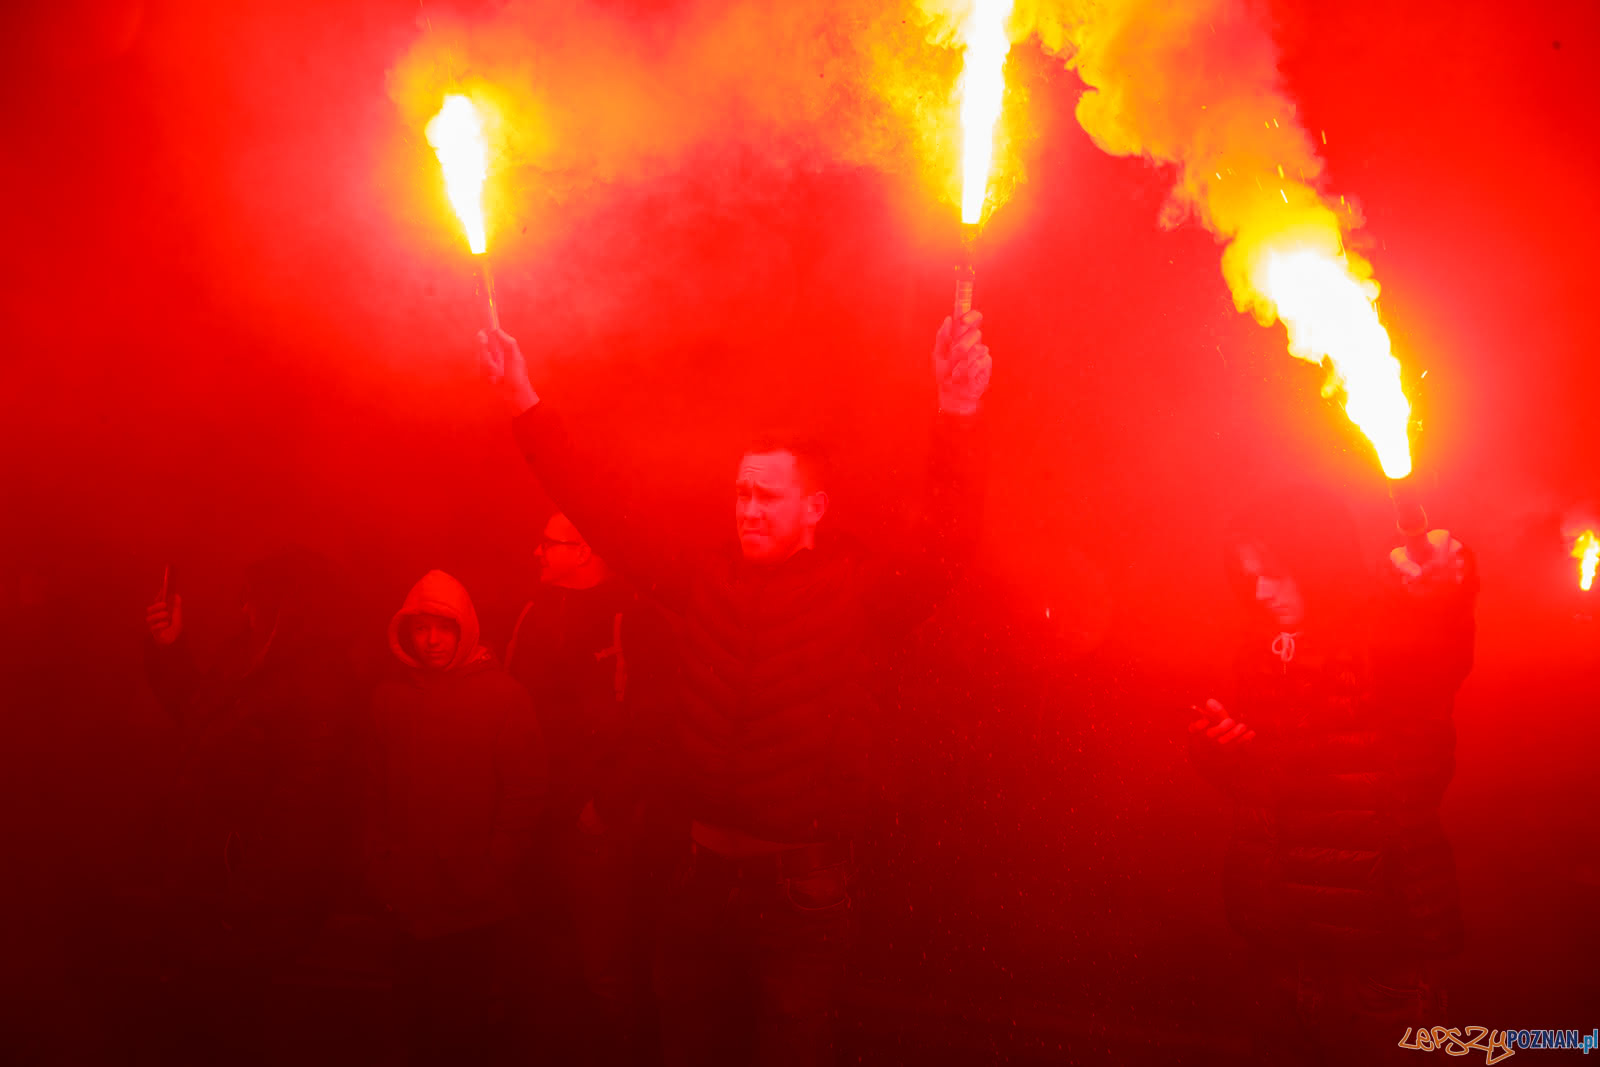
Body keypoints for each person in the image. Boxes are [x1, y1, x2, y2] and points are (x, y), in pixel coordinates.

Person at [479, 310, 992, 1066]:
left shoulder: (861, 590)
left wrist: (957, 411)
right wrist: (524, 399)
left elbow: (949, 544)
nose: (748, 509)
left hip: (802, 889)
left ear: (813, 508)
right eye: (742, 494)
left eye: (768, 497)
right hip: (699, 876)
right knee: (686, 1044)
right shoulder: (707, 575)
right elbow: (606, 514)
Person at [1187, 486, 1479, 1066]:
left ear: (1316, 562)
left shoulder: (1384, 642)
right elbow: (1264, 793)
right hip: (1279, 953)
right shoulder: (1259, 652)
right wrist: (1222, 750)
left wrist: (1444, 595)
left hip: (1380, 965)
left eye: (1273, 572)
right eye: (1249, 575)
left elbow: (1437, 651)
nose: (1260, 591)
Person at [143, 548, 361, 1061]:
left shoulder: (316, 681)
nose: (243, 609)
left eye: (251, 598)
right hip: (216, 890)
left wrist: (243, 903)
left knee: (233, 1027)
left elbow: (303, 808)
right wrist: (171, 649)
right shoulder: (248, 657)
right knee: (203, 1022)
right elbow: (201, 722)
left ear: (284, 604)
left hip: (248, 907)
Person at [364, 569, 547, 1064]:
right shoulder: (389, 698)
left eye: (444, 628)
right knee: (410, 1024)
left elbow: (526, 795)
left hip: (473, 906)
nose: (432, 640)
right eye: (421, 628)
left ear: (465, 628)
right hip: (405, 899)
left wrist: (491, 871)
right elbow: (370, 790)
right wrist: (381, 868)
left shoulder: (504, 697)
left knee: (463, 1029)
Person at [504, 513, 652, 1062]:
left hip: (597, 828)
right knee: (537, 956)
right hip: (534, 819)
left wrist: (606, 806)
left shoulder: (631, 617)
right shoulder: (532, 611)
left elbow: (654, 726)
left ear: (584, 550)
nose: (536, 553)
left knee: (603, 965)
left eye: (548, 544)